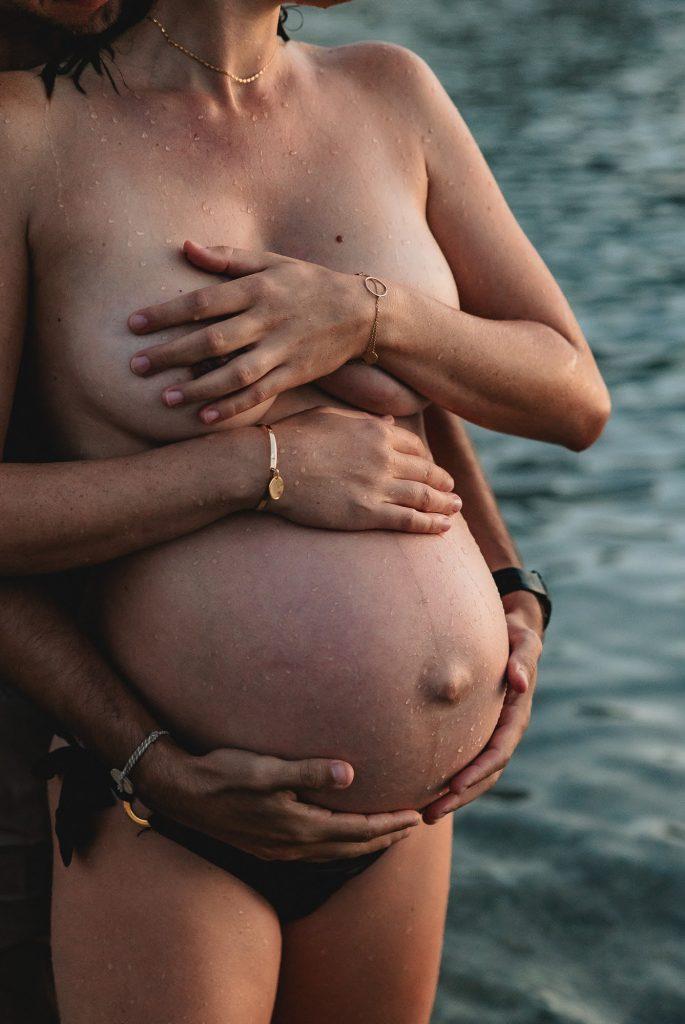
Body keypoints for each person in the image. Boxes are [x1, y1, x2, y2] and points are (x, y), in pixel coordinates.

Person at [0, 1, 609, 1021]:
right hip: (169, 814)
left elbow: (572, 395)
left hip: (401, 821)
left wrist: (373, 314)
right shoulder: (28, 131)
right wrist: (260, 466)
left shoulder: (389, 93)